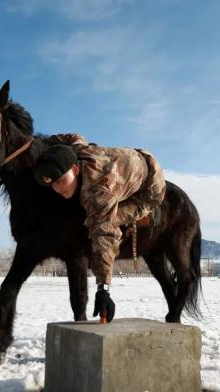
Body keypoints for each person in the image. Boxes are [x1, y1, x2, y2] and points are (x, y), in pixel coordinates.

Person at [32, 134, 166, 323]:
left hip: (150, 187)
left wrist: (104, 288)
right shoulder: (77, 150)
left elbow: (105, 234)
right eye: (53, 184)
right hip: (134, 156)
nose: (58, 188)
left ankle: (149, 213)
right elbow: (73, 136)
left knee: (106, 220)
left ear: (75, 168)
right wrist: (44, 141)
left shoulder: (98, 193)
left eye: (61, 180)